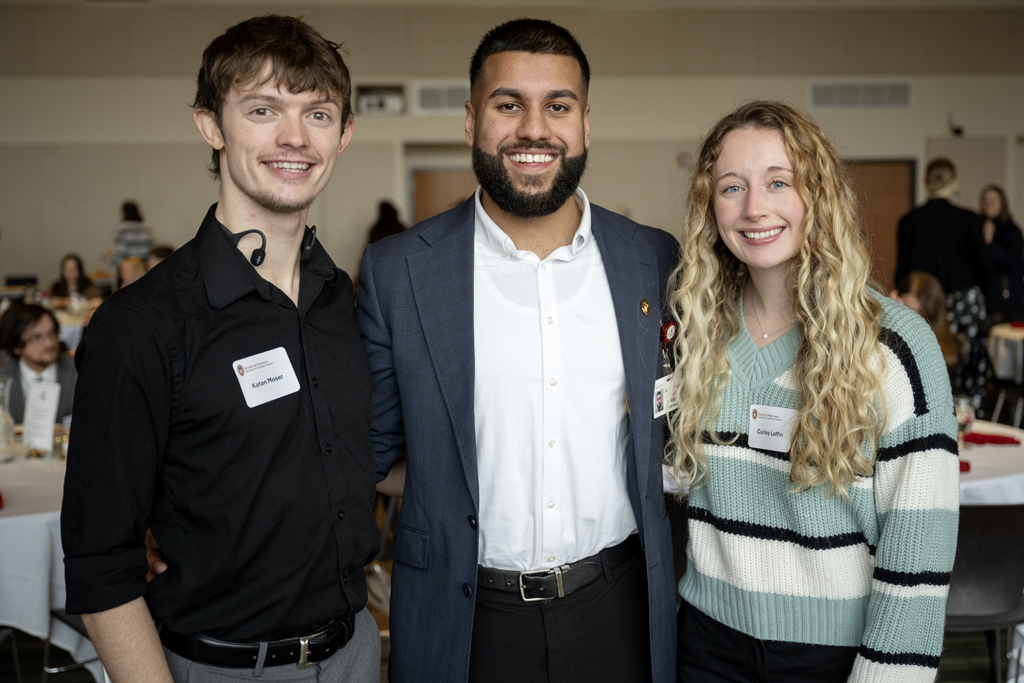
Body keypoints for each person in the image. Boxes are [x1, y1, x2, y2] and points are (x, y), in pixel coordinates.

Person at [61, 15, 381, 683]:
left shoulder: (341, 301)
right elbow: (99, 561)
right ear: (211, 124)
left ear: (345, 133)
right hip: (221, 668)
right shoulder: (142, 325)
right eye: (263, 110)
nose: (294, 137)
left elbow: (358, 458)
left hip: (357, 654)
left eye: (318, 113)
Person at [358, 18, 678, 683]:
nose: (534, 128)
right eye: (509, 105)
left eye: (557, 106)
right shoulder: (399, 271)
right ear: (472, 121)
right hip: (465, 612)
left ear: (585, 123)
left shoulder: (649, 258)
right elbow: (374, 454)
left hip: (619, 607)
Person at [666, 101, 958, 682]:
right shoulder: (691, 332)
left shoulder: (895, 347)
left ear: (818, 197)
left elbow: (918, 558)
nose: (755, 208)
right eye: (731, 187)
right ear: (709, 205)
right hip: (703, 647)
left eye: (779, 182)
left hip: (834, 660)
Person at [894, 157, 990, 296]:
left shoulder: (908, 221)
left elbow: (902, 271)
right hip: (962, 300)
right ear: (954, 181)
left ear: (925, 181)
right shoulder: (969, 219)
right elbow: (985, 266)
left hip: (920, 301)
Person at [0, 304, 76, 423]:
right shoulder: (3, 378)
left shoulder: (78, 371)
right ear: (16, 346)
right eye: (36, 337)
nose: (49, 343)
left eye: (51, 333)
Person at [891, 271, 963, 368]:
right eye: (905, 309)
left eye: (918, 313)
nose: (910, 320)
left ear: (932, 315)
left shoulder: (952, 351)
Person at [979, 184, 1023, 321]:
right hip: (984, 301)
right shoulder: (977, 227)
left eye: (993, 200)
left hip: (1008, 302)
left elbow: (1013, 262)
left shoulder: (1012, 230)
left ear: (1002, 203)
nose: (989, 204)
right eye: (986, 200)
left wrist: (989, 243)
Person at [112, 200, 155, 274]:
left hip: (128, 266)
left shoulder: (121, 228)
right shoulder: (146, 228)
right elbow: (152, 248)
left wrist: (115, 263)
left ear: (124, 212)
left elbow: (120, 251)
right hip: (144, 266)